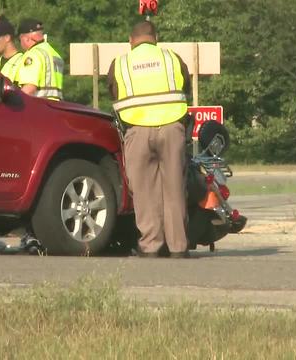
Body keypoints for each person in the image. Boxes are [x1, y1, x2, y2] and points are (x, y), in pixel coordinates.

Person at [107, 21, 191, 258]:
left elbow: (113, 91)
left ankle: (151, 245)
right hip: (172, 127)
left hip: (137, 130)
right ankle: (178, 247)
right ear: (156, 38)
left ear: (130, 40)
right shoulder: (172, 58)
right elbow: (185, 85)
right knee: (174, 188)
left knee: (143, 191)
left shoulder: (120, 64)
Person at [16, 18, 64, 100]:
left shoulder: (33, 55)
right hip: (57, 107)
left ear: (26, 38)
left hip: (41, 106)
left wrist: (13, 104)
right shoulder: (54, 53)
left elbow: (29, 89)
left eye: (19, 40)